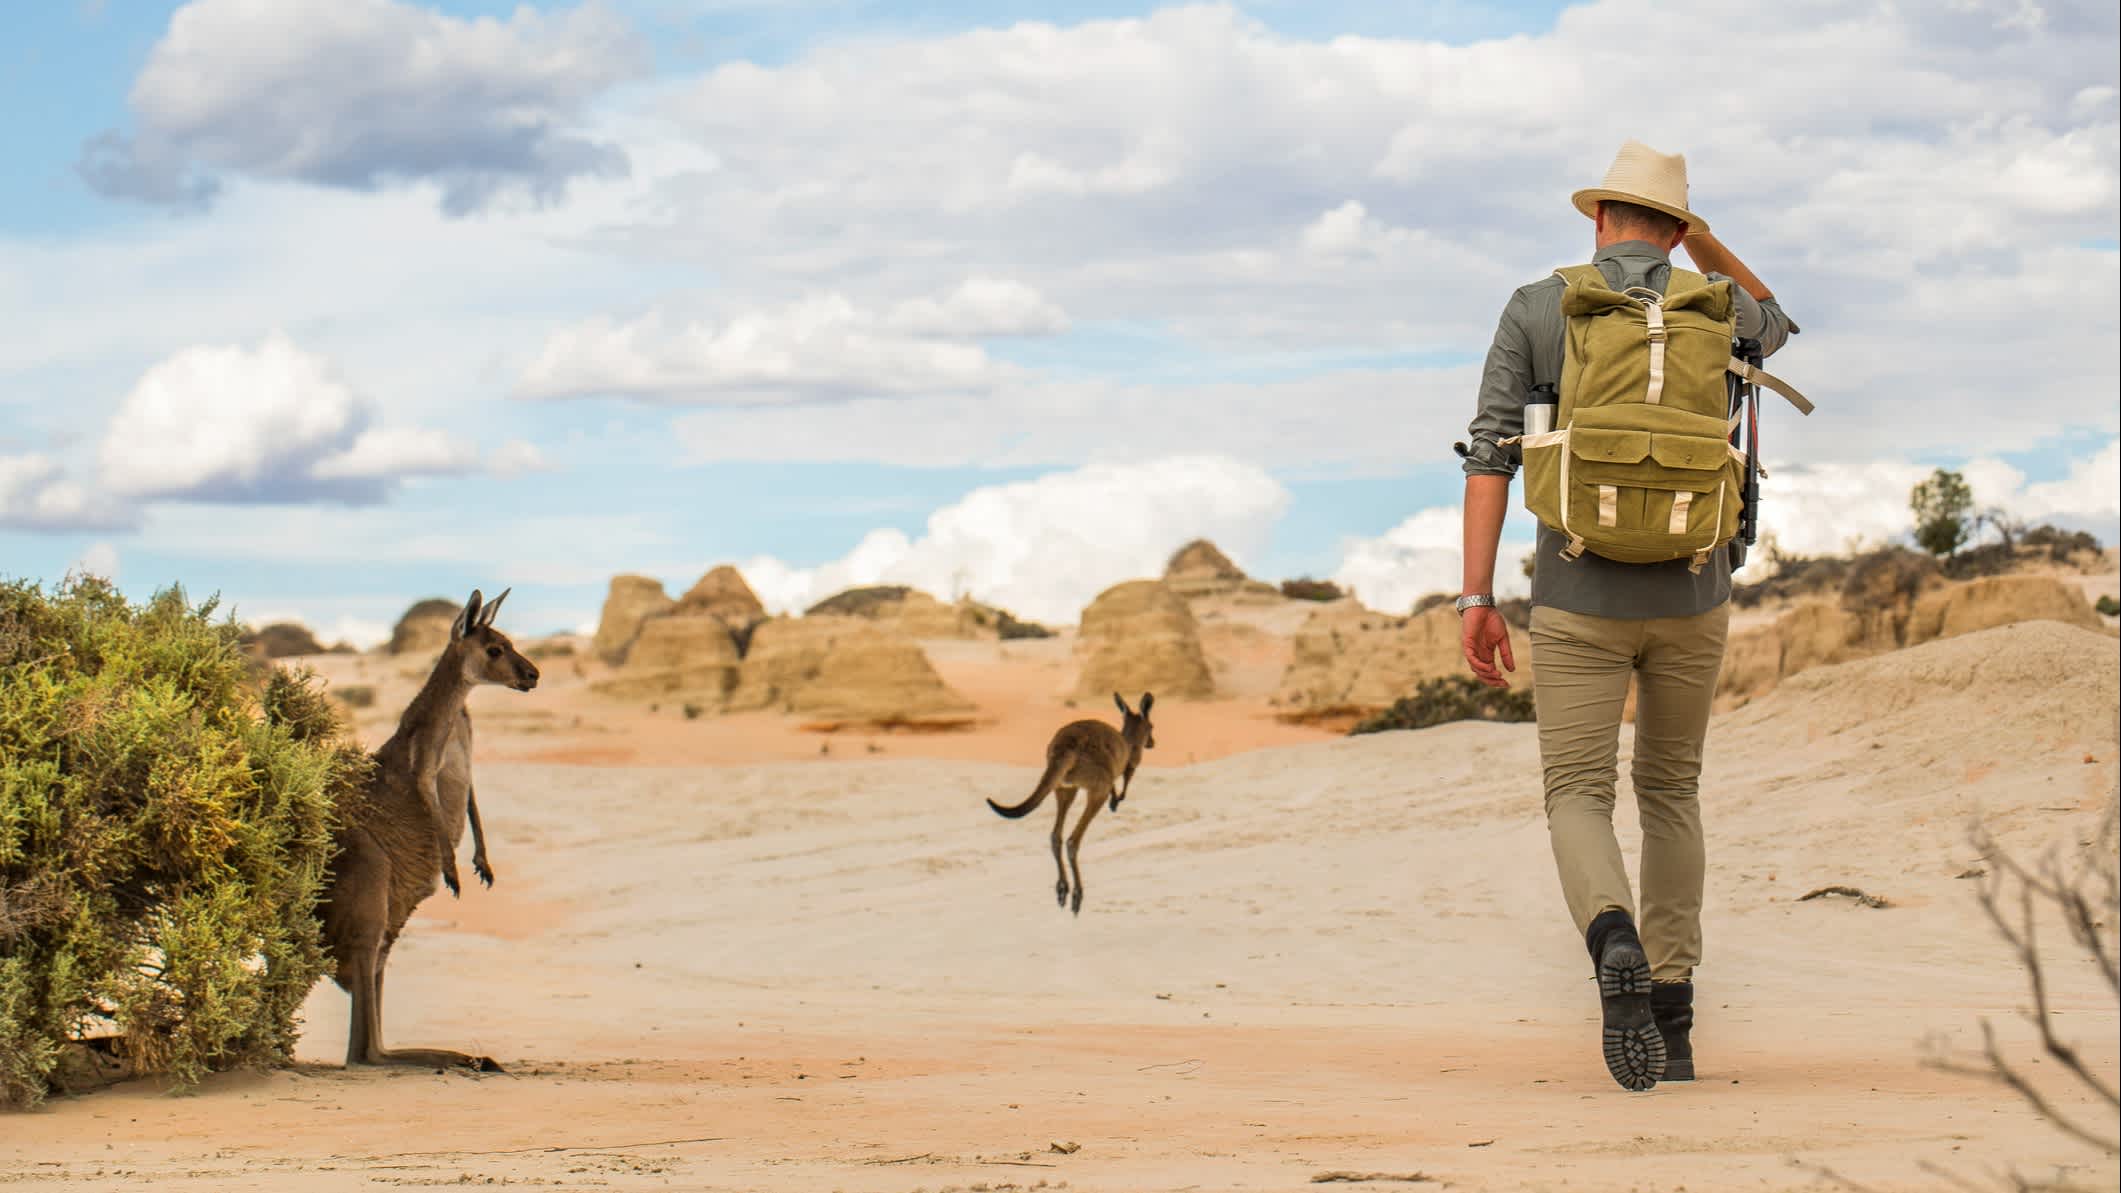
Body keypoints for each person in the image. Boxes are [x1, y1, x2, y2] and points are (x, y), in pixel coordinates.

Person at [1455, 140, 1797, 1091]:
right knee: (1670, 791)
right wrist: (1709, 246)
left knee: (1577, 790)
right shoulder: (1719, 305)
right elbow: (1783, 326)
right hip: (1694, 592)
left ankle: (1612, 938)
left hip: (1575, 589)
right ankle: (1676, 1020)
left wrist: (1478, 597)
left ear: (1597, 219)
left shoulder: (1540, 305)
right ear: (1678, 229)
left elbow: (1489, 455)